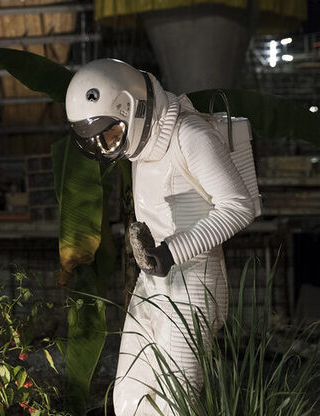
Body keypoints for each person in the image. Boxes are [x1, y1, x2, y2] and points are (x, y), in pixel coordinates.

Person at [65, 58, 255, 416]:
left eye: (111, 133)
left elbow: (239, 206)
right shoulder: (146, 142)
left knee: (173, 407)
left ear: (131, 106)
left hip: (194, 287)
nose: (108, 146)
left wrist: (171, 252)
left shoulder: (190, 135)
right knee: (128, 402)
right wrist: (157, 259)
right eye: (99, 140)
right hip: (152, 280)